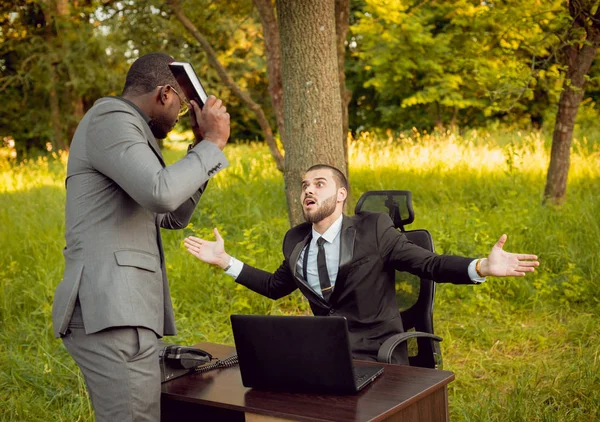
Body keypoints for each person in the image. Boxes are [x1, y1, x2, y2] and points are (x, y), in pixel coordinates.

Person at [184, 164, 539, 364]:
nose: (308, 190)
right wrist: (226, 261)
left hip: (378, 353)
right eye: (304, 185)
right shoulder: (296, 240)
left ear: (341, 195)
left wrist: (480, 267)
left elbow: (427, 264)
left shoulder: (373, 227)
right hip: (328, 354)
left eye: (319, 184)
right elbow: (275, 289)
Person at [52, 52, 230, 422]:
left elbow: (170, 213)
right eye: (182, 108)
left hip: (123, 311)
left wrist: (200, 150)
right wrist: (213, 142)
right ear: (165, 93)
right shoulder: (111, 119)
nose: (180, 117)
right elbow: (160, 192)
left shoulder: (126, 127)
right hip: (113, 312)